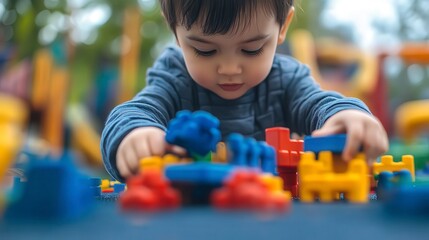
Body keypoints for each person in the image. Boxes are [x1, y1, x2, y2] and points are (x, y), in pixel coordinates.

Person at [101, 0, 389, 181]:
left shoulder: (287, 80)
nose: (229, 68)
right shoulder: (174, 78)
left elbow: (317, 103)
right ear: (176, 33)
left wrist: (348, 113)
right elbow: (135, 112)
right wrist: (135, 136)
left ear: (282, 27)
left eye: (251, 49)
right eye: (205, 50)